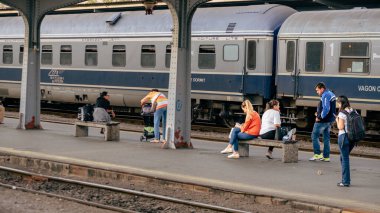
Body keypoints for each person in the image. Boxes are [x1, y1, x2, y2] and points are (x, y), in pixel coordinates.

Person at [309, 82, 336, 162]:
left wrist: (320, 117)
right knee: (326, 138)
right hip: (329, 120)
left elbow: (326, 108)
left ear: (322, 89)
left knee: (314, 136)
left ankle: (317, 154)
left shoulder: (325, 95)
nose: (317, 92)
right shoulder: (330, 93)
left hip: (323, 121)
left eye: (317, 90)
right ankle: (326, 156)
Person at [336, 96, 355, 187]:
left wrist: (337, 120)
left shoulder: (342, 113)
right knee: (342, 157)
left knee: (345, 159)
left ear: (341, 103)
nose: (337, 105)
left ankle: (345, 181)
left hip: (344, 137)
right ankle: (346, 178)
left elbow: (340, 127)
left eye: (338, 103)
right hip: (352, 138)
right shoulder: (353, 110)